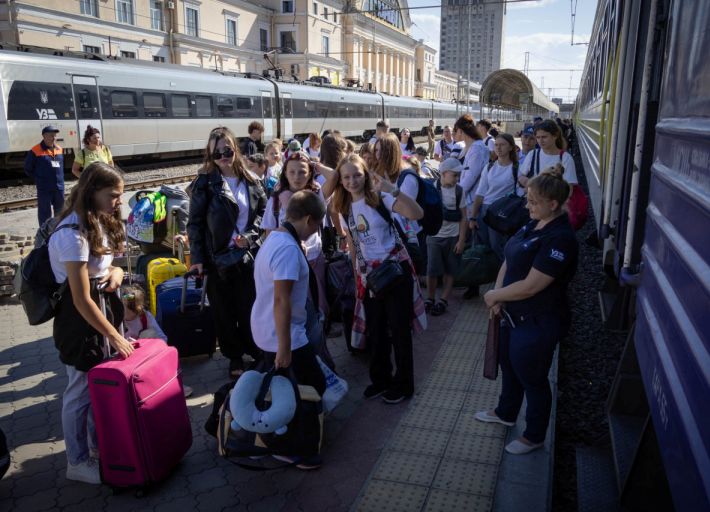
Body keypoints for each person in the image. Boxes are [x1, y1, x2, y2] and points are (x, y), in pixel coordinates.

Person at [476, 164, 578, 455]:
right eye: (527, 199)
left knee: (531, 376)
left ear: (553, 204)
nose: (527, 205)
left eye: (533, 201)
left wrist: (495, 295)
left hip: (538, 321)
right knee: (509, 365)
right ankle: (506, 412)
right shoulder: (534, 222)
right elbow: (509, 257)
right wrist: (498, 297)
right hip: (513, 314)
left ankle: (534, 436)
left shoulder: (560, 238)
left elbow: (534, 285)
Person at [49, 162, 134, 484]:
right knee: (80, 391)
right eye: (113, 195)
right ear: (92, 191)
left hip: (101, 312)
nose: (118, 201)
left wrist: (117, 273)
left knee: (96, 388)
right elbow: (81, 298)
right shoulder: (72, 235)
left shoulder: (96, 221)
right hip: (82, 320)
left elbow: (110, 267)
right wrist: (114, 335)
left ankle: (98, 449)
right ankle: (77, 460)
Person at [332, 154, 426, 403]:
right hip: (369, 277)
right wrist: (357, 278)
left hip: (395, 272)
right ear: (340, 181)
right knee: (376, 330)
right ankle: (380, 379)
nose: (352, 181)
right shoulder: (343, 207)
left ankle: (404, 385)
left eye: (357, 175)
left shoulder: (380, 198)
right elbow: (353, 246)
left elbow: (417, 214)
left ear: (366, 174)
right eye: (347, 177)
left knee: (399, 330)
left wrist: (392, 190)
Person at [251, 190, 328, 470]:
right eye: (318, 223)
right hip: (282, 335)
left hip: (268, 328)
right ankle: (293, 448)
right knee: (308, 388)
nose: (318, 229)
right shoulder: (285, 248)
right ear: (308, 219)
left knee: (290, 387)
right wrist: (284, 347)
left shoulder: (277, 239)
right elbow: (282, 300)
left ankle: (284, 440)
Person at [188, 127, 266, 378]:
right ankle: (234, 357)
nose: (223, 156)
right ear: (210, 156)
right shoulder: (205, 183)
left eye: (227, 150)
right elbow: (195, 223)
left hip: (246, 257)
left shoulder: (251, 180)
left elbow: (263, 213)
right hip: (216, 259)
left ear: (235, 149)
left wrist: (251, 236)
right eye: (216, 153)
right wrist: (198, 259)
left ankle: (255, 349)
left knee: (249, 307)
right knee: (223, 311)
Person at [262, 151, 333, 317]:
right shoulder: (276, 200)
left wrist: (316, 165)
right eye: (292, 172)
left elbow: (334, 176)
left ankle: (320, 328)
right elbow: (269, 232)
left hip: (314, 258)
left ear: (310, 174)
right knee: (294, 304)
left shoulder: (317, 195)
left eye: (302, 171)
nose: (297, 176)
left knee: (317, 301)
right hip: (287, 263)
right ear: (285, 174)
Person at [373, 133, 425, 274]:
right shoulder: (382, 174)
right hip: (390, 240)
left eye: (382, 151)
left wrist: (386, 192)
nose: (377, 155)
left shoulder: (407, 177)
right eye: (376, 150)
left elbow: (405, 213)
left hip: (408, 238)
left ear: (392, 152)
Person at [425, 158, 467, 316]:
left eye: (458, 175)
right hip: (434, 236)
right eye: (455, 175)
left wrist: (461, 240)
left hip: (453, 236)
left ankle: (442, 300)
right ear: (443, 173)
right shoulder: (431, 188)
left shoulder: (459, 191)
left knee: (450, 270)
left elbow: (464, 217)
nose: (457, 178)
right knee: (432, 270)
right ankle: (429, 298)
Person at [453, 114, 489, 299]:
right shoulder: (471, 148)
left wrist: (452, 193)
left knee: (473, 244)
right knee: (468, 242)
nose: (454, 135)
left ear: (461, 131)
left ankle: (473, 283)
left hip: (473, 204)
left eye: (455, 131)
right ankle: (467, 280)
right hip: (467, 203)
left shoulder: (477, 149)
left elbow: (468, 179)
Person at [470, 133, 522, 260]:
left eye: (502, 145)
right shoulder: (489, 167)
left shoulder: (517, 168)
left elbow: (520, 194)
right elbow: (480, 193)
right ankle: (487, 274)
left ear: (511, 147)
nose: (498, 148)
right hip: (485, 211)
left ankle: (501, 275)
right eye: (496, 145)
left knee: (497, 247)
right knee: (483, 245)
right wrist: (473, 217)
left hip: (502, 213)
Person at [24, 125, 65, 226]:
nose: (54, 138)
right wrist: (39, 179)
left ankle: (58, 231)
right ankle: (44, 234)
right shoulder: (35, 150)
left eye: (55, 136)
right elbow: (28, 169)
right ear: (44, 136)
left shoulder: (59, 149)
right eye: (51, 136)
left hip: (59, 187)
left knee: (60, 212)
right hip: (44, 187)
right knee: (44, 213)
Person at [519, 120, 577, 187]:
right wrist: (524, 180)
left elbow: (569, 189)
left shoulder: (566, 158)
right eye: (538, 137)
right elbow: (521, 176)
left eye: (544, 137)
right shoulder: (532, 154)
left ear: (555, 136)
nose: (540, 141)